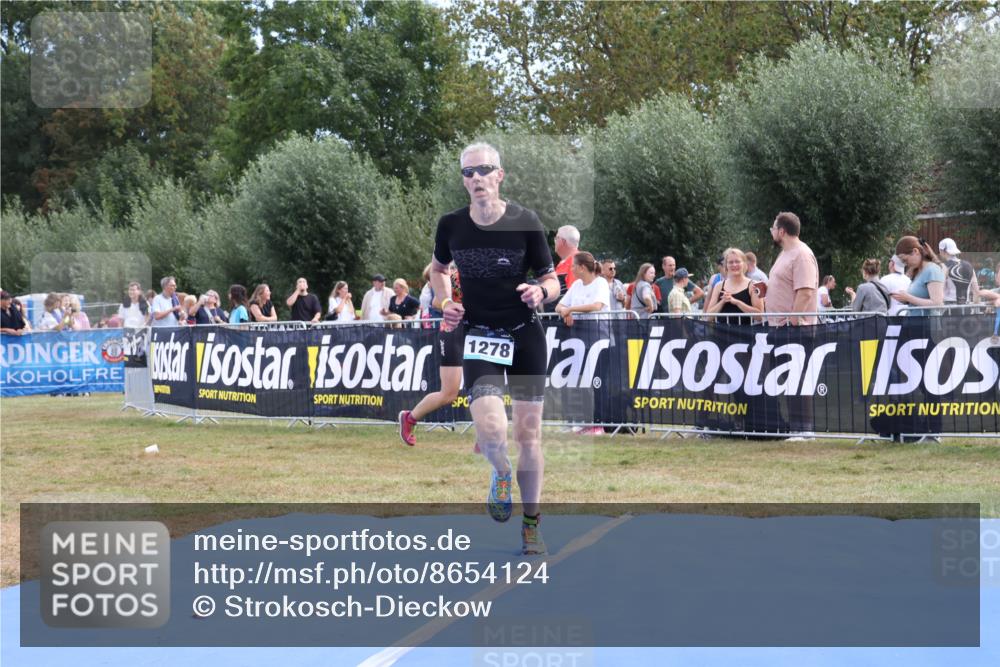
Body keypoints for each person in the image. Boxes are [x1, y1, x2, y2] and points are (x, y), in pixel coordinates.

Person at [426, 141, 559, 555]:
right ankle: (501, 472)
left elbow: (553, 280)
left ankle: (532, 523)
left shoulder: (525, 221)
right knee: (488, 428)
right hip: (480, 333)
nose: (476, 178)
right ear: (463, 180)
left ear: (500, 175)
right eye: (468, 173)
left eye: (484, 170)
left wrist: (540, 292)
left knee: (528, 433)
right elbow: (437, 271)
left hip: (524, 333)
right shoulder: (451, 224)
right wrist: (446, 302)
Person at [399, 266, 465, 445]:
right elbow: (436, 302)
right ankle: (410, 418)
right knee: (449, 393)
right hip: (453, 332)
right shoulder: (455, 276)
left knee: (484, 383)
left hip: (476, 333)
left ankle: (487, 432)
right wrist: (455, 305)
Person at [765, 212, 819, 327]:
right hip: (780, 328)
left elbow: (805, 293)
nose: (771, 232)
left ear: (781, 231)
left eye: (773, 228)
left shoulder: (802, 255)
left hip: (794, 331)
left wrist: (792, 323)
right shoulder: (784, 253)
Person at [704, 248, 764, 324]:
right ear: (726, 265)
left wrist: (737, 302)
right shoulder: (718, 286)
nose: (734, 265)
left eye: (737, 261)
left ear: (744, 264)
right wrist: (722, 301)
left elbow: (760, 316)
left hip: (745, 334)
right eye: (730, 262)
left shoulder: (756, 285)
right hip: (721, 334)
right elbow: (708, 317)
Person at [892, 236, 944, 315]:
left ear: (915, 251)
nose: (905, 264)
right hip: (916, 323)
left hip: (927, 324)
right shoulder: (918, 271)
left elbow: (937, 303)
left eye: (905, 260)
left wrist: (908, 298)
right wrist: (904, 299)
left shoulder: (932, 270)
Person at [555, 252, 610, 325]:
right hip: (578, 331)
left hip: (599, 332)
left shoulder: (601, 282)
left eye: (573, 266)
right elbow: (558, 307)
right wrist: (565, 312)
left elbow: (596, 306)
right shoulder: (576, 284)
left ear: (582, 268)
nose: (571, 269)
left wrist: (570, 309)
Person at [938, 238, 979, 306]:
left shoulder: (944, 267)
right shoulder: (969, 266)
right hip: (967, 308)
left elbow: (940, 292)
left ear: (943, 251)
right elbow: (976, 292)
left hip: (949, 308)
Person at [552, 225, 581, 303]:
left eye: (556, 238)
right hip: (560, 313)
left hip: (565, 314)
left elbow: (575, 295)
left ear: (562, 241)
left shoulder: (576, 261)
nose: (554, 241)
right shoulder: (567, 261)